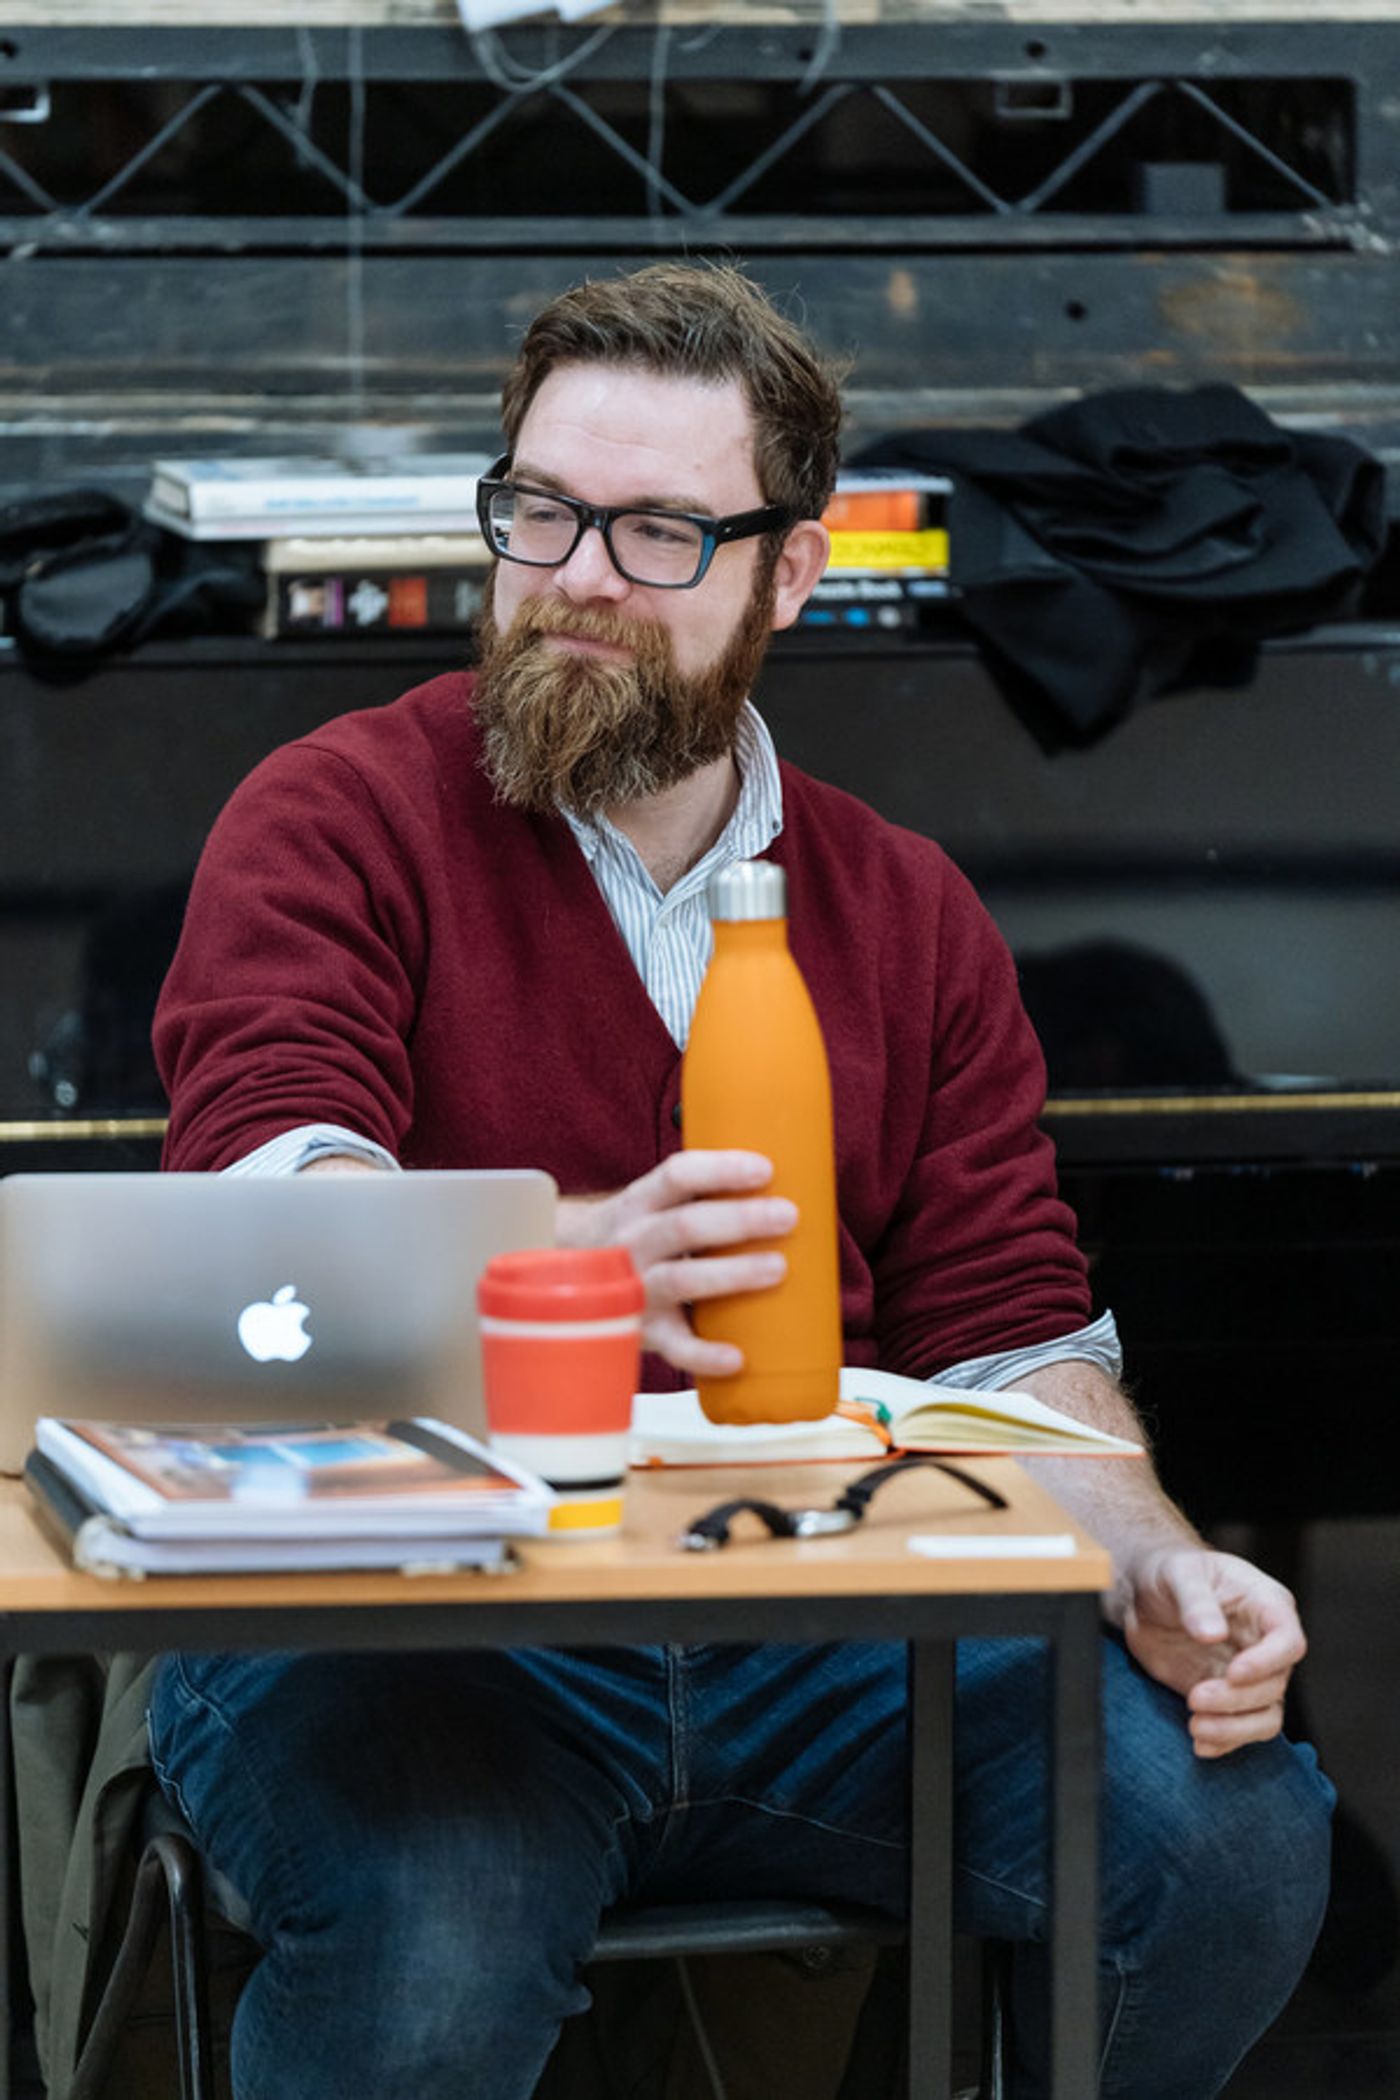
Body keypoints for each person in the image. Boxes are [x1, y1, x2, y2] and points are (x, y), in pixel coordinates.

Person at [146, 261, 1331, 2100]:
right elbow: (265, 1183)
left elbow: (1011, 1334)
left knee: (1235, 1835)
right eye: (538, 510)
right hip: (412, 1627)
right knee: (442, 1919)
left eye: (659, 531)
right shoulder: (335, 814)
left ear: (793, 568)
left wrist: (1160, 1559)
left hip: (824, 1627)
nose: (581, 577)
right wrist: (552, 1256)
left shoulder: (904, 906)